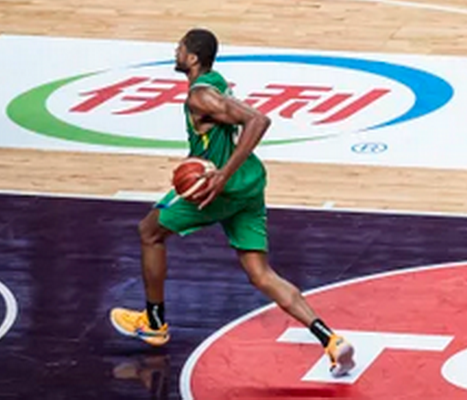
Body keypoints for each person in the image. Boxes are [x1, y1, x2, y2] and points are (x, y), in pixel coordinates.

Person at [109, 29, 356, 378]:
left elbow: (259, 120)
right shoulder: (217, 81)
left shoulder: (200, 97)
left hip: (219, 189)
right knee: (261, 274)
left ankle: (154, 322)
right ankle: (331, 340)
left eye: (180, 48)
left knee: (149, 231)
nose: (176, 52)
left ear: (192, 58)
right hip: (250, 185)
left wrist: (222, 173)